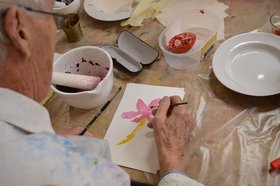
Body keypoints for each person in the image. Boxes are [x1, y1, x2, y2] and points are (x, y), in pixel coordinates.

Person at [0, 0, 203, 185]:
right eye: (52, 16)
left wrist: (43, 137)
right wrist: (172, 158)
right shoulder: (63, 172)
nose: (54, 29)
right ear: (19, 29)